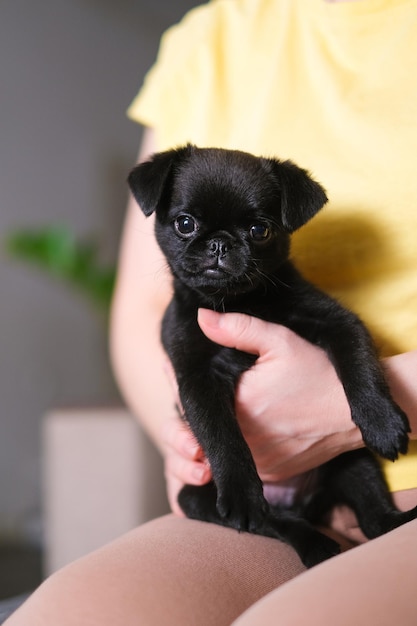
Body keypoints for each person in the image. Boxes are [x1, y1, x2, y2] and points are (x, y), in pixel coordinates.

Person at [6, 0, 417, 624]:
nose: (219, 250)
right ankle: (302, 536)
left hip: (387, 469)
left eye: (251, 232)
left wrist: (357, 407)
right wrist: (196, 448)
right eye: (190, 226)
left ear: (283, 226)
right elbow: (145, 322)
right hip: (245, 490)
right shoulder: (214, 39)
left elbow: (340, 331)